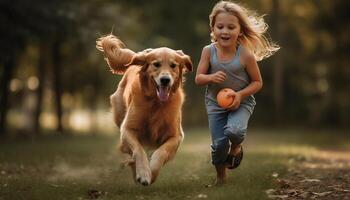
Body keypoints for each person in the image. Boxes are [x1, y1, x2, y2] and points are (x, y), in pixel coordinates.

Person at [195, 0, 279, 185]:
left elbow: (258, 82)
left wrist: (240, 95)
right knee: (218, 145)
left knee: (234, 131)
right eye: (220, 26)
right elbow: (198, 78)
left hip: (242, 102)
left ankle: (237, 147)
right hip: (215, 104)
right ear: (213, 29)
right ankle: (221, 176)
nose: (225, 31)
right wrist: (210, 78)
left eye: (231, 27)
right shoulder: (208, 52)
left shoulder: (245, 55)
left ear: (240, 30)